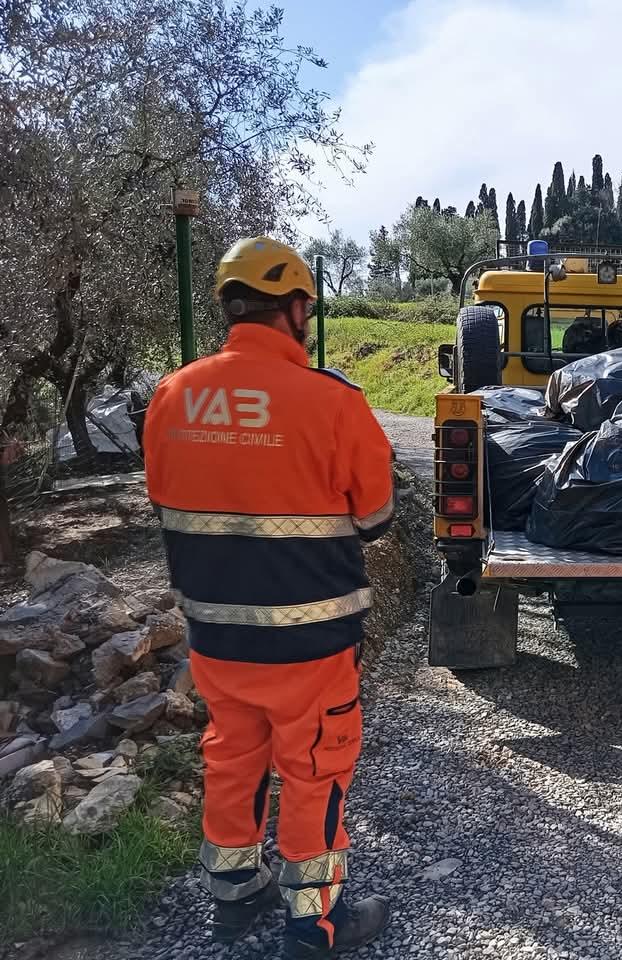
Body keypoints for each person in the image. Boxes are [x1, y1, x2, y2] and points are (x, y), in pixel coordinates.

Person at [143, 237, 395, 957]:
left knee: (231, 757)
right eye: (306, 309)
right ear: (291, 308)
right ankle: (315, 927)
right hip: (307, 641)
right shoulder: (330, 400)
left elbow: (165, 499)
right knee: (315, 771)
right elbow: (375, 519)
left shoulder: (171, 395)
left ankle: (233, 899)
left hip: (216, 636)